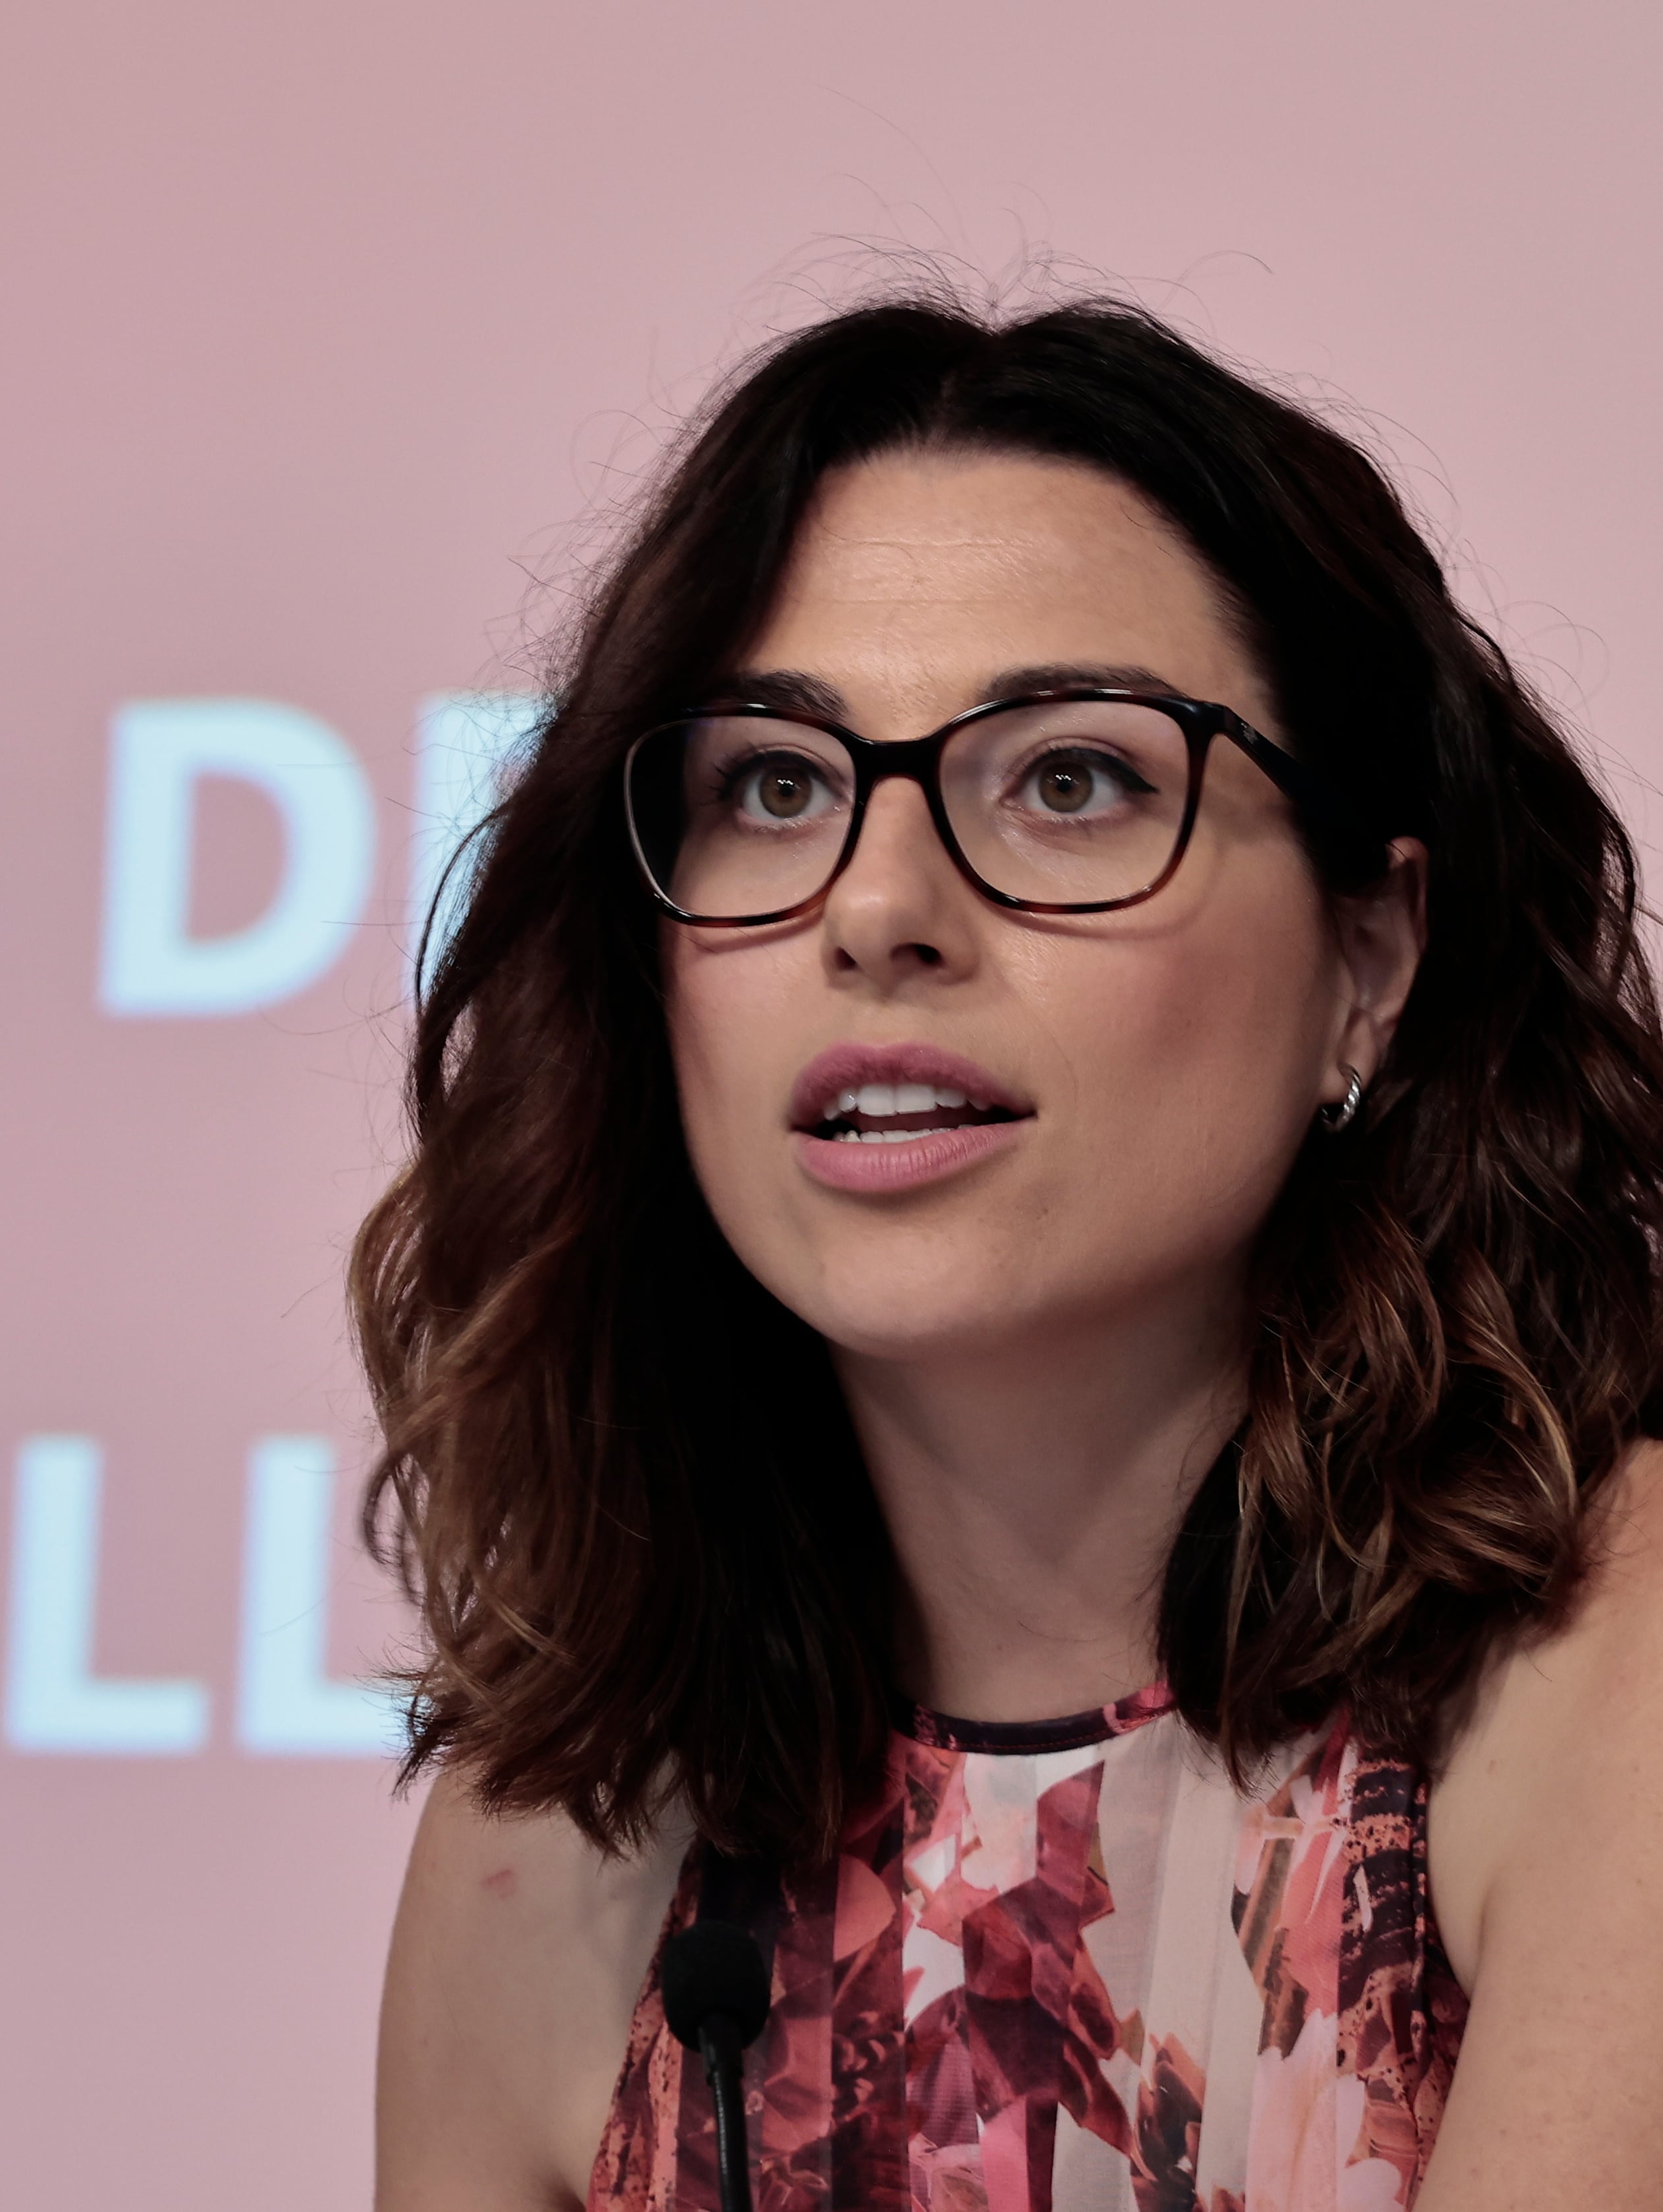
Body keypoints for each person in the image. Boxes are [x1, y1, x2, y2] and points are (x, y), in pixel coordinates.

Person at [357, 295, 1663, 2210]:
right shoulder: (562, 1827)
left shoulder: (1606, 1659)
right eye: (773, 786)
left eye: (1070, 779)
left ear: (1368, 966)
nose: (879, 909)